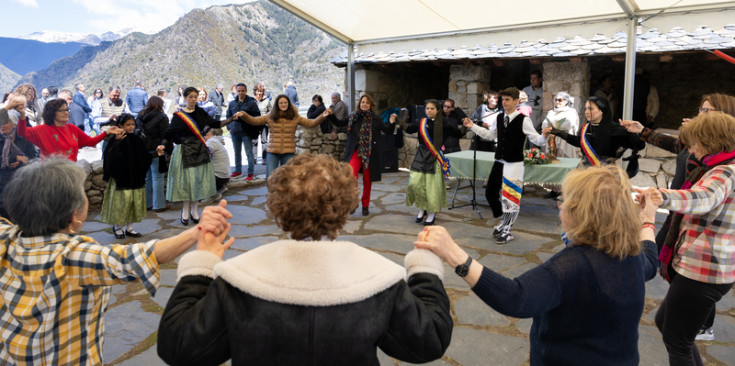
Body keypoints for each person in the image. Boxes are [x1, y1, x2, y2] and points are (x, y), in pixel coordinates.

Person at [157, 153, 452, 365]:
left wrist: (202, 264)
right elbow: (429, 342)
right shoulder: (378, 281)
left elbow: (179, 347)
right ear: (345, 207)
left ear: (277, 207)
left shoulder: (238, 282)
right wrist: (425, 269)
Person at [416, 164, 659, 365]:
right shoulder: (629, 254)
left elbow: (516, 297)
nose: (561, 206)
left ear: (581, 213)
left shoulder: (573, 266)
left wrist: (453, 254)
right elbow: (650, 259)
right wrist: (648, 219)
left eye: (565, 201)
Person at [0, 157, 232, 365]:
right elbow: (140, 257)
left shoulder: (7, 238)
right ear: (74, 214)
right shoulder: (73, 256)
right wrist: (197, 233)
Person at [622, 95, 735, 342]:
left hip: (706, 264)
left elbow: (703, 197)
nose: (691, 150)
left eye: (707, 110)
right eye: (700, 109)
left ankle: (702, 323)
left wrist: (659, 196)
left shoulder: (725, 169)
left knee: (677, 338)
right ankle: (693, 316)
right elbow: (679, 146)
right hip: (696, 252)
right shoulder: (717, 162)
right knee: (670, 327)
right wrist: (644, 132)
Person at [464, 87, 549, 244]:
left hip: (514, 164)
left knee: (510, 198)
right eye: (503, 99)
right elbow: (490, 135)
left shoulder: (524, 120)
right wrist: (472, 126)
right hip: (499, 162)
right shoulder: (499, 117)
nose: (504, 102)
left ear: (516, 101)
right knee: (490, 193)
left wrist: (544, 136)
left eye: (507, 99)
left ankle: (507, 231)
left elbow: (537, 140)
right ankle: (503, 222)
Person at [158, 87, 242, 225]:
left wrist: (232, 118)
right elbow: (168, 133)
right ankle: (185, 210)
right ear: (185, 98)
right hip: (184, 151)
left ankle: (194, 211)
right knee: (187, 183)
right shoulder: (178, 116)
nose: (192, 99)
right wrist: (162, 144)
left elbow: (216, 123)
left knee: (197, 181)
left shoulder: (201, 113)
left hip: (199, 150)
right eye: (190, 96)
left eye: (195, 97)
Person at [239, 94, 329, 178]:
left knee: (287, 178)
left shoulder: (295, 117)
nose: (283, 104)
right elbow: (254, 121)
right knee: (270, 177)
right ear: (277, 105)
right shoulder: (270, 116)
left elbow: (311, 123)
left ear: (289, 104)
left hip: (288, 153)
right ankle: (272, 195)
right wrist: (244, 115)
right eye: (281, 103)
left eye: (285, 102)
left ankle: (284, 195)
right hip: (273, 152)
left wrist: (322, 116)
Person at [332, 94, 393, 216]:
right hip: (356, 150)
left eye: (366, 103)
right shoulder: (353, 116)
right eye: (362, 102)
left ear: (370, 105)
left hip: (369, 153)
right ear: (359, 104)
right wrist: (330, 115)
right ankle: (353, 201)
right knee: (351, 175)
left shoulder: (376, 119)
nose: (364, 104)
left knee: (367, 180)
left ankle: (365, 205)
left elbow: (387, 131)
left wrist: (391, 123)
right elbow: (340, 123)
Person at [404, 99, 462, 226]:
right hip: (421, 156)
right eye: (427, 109)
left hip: (434, 157)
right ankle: (422, 208)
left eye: (432, 109)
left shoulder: (444, 124)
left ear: (437, 111)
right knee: (416, 184)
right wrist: (396, 120)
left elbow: (458, 134)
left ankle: (432, 213)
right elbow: (408, 129)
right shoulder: (421, 122)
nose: (429, 111)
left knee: (431, 187)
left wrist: (467, 124)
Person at [14, 95, 120, 161]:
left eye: (67, 110)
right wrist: (22, 116)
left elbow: (90, 142)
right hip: (49, 175)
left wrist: (106, 133)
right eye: (62, 110)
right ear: (52, 113)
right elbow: (22, 132)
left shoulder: (72, 128)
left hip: (71, 173)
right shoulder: (42, 130)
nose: (67, 113)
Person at [547, 96, 644, 167]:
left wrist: (630, 132)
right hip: (585, 170)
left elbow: (639, 145)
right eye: (586, 109)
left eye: (590, 109)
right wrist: (557, 132)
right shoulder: (586, 128)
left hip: (606, 174)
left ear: (602, 111)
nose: (586, 112)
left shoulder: (615, 129)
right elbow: (579, 142)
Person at [101, 114, 153, 238]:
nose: (131, 127)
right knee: (122, 203)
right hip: (121, 177)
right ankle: (117, 227)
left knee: (133, 203)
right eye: (128, 125)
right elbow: (109, 156)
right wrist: (117, 142)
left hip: (135, 177)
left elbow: (144, 155)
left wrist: (155, 153)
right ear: (120, 125)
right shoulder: (114, 138)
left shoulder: (136, 138)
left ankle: (130, 227)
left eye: (132, 124)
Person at [0, 105, 37, 218]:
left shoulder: (23, 137)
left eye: (5, 122)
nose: (2, 126)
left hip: (22, 181)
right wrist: (13, 159)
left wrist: (21, 161)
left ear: (14, 124)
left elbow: (32, 155)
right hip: (2, 183)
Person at [136, 96, 170, 212]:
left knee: (147, 178)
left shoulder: (140, 116)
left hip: (142, 151)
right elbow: (166, 135)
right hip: (157, 150)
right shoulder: (162, 117)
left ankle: (147, 204)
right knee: (157, 178)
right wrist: (168, 149)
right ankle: (159, 205)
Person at [225, 83, 261, 181]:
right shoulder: (232, 103)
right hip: (234, 132)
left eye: (242, 91)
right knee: (237, 153)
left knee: (249, 153)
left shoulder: (252, 103)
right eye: (239, 91)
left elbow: (257, 116)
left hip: (246, 132)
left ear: (246, 91)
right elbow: (228, 116)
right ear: (236, 91)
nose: (241, 93)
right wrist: (229, 127)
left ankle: (250, 172)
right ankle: (238, 170)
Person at [541, 92, 580, 159]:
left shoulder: (571, 112)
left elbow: (567, 124)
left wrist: (551, 125)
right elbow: (544, 124)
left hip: (565, 140)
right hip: (552, 140)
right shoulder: (551, 112)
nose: (557, 102)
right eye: (556, 99)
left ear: (566, 101)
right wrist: (556, 125)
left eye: (560, 100)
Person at [202, 127, 230, 204]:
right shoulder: (215, 140)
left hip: (219, 176)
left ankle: (212, 195)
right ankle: (220, 188)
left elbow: (201, 157)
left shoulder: (210, 143)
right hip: (224, 175)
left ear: (206, 135)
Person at [253, 83, 272, 165]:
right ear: (255, 92)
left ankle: (264, 158)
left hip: (264, 124)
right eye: (258, 91)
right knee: (254, 141)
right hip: (254, 123)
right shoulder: (251, 100)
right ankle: (254, 158)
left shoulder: (267, 101)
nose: (259, 93)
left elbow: (270, 111)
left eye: (261, 91)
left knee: (264, 141)